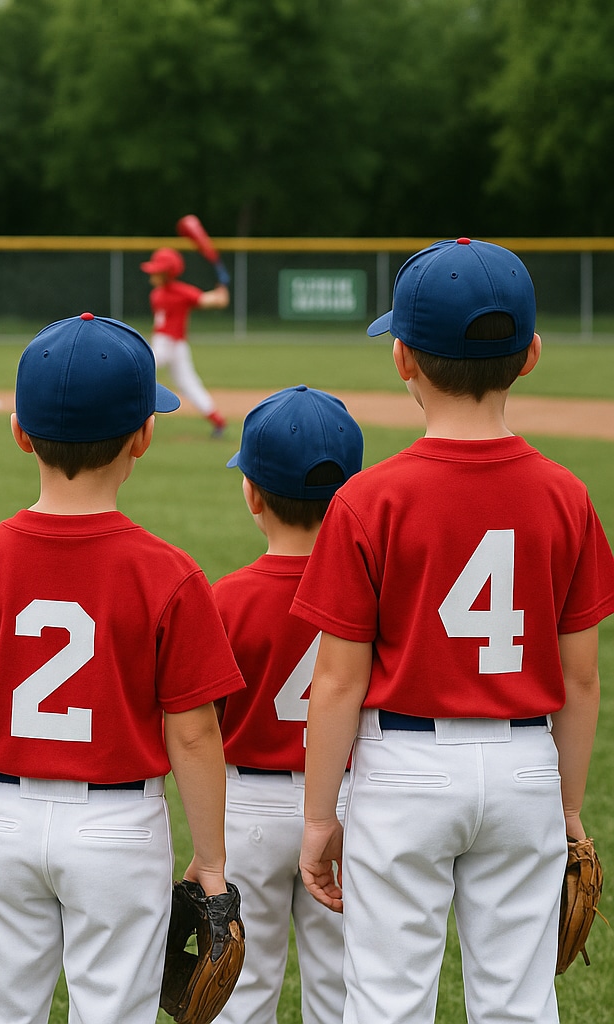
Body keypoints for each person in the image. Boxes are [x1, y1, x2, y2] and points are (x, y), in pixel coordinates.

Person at [293, 238, 614, 1024]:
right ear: (531, 355)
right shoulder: (566, 495)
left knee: (388, 1001)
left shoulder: (369, 500)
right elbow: (580, 680)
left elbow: (336, 682)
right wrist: (566, 809)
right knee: (518, 1001)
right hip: (525, 766)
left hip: (405, 768)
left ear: (402, 358)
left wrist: (317, 816)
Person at [0, 311, 246, 1024]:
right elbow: (194, 735)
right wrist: (210, 861)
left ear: (20, 432)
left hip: (4, 817)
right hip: (118, 827)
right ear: (144, 437)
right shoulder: (170, 574)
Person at [212, 385, 363, 1024]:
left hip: (245, 807)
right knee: (344, 987)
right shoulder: (371, 593)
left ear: (252, 493)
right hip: (349, 799)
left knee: (241, 991)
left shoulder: (225, 599)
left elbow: (200, 723)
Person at [141, 246, 229, 437]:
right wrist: (222, 290)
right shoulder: (168, 292)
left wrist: (219, 295)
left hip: (168, 344)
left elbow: (213, 301)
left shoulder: (166, 293)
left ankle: (134, 414)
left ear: (166, 273)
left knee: (141, 370)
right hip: (173, 344)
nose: (152, 275)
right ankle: (217, 420)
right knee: (188, 383)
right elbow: (216, 301)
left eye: (157, 271)